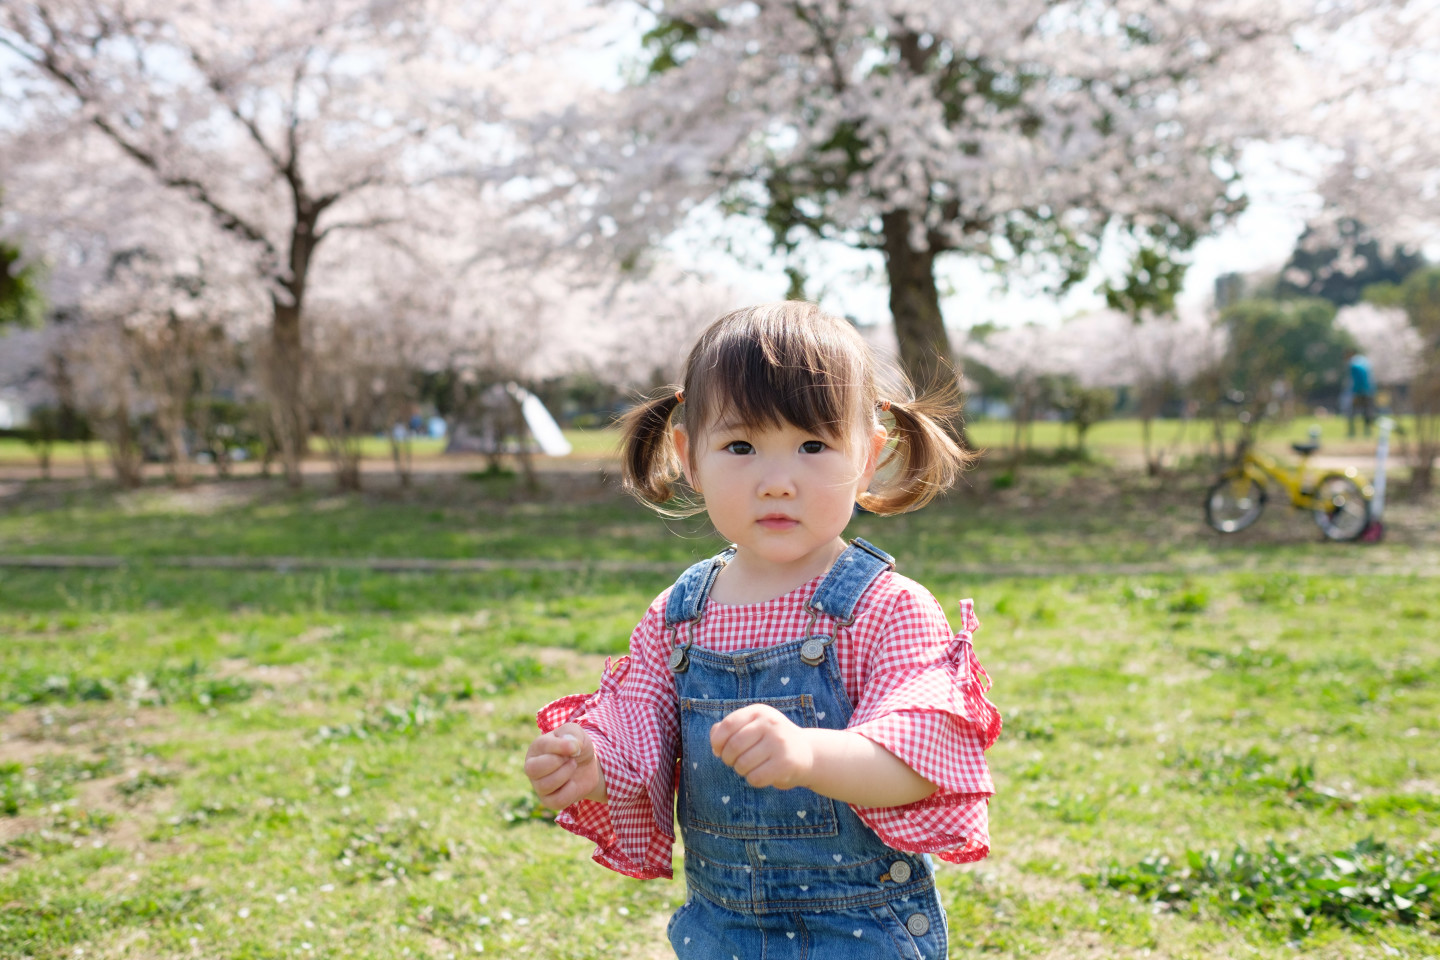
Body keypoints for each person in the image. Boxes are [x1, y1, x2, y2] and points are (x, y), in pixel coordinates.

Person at [523, 302, 1002, 959]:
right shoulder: (681, 611)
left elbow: (918, 762)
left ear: (867, 458)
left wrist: (809, 756)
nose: (777, 483)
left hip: (859, 935)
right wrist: (594, 760)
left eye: (812, 446)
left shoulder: (886, 608)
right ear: (690, 457)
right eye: (741, 447)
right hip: (721, 932)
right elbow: (640, 724)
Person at [1346, 348, 1376, 438]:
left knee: (1352, 411)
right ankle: (1368, 431)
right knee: (1367, 412)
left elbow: (1355, 380)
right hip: (1369, 390)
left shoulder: (1353, 364)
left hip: (1359, 391)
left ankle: (1352, 432)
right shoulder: (1364, 361)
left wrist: (1355, 391)